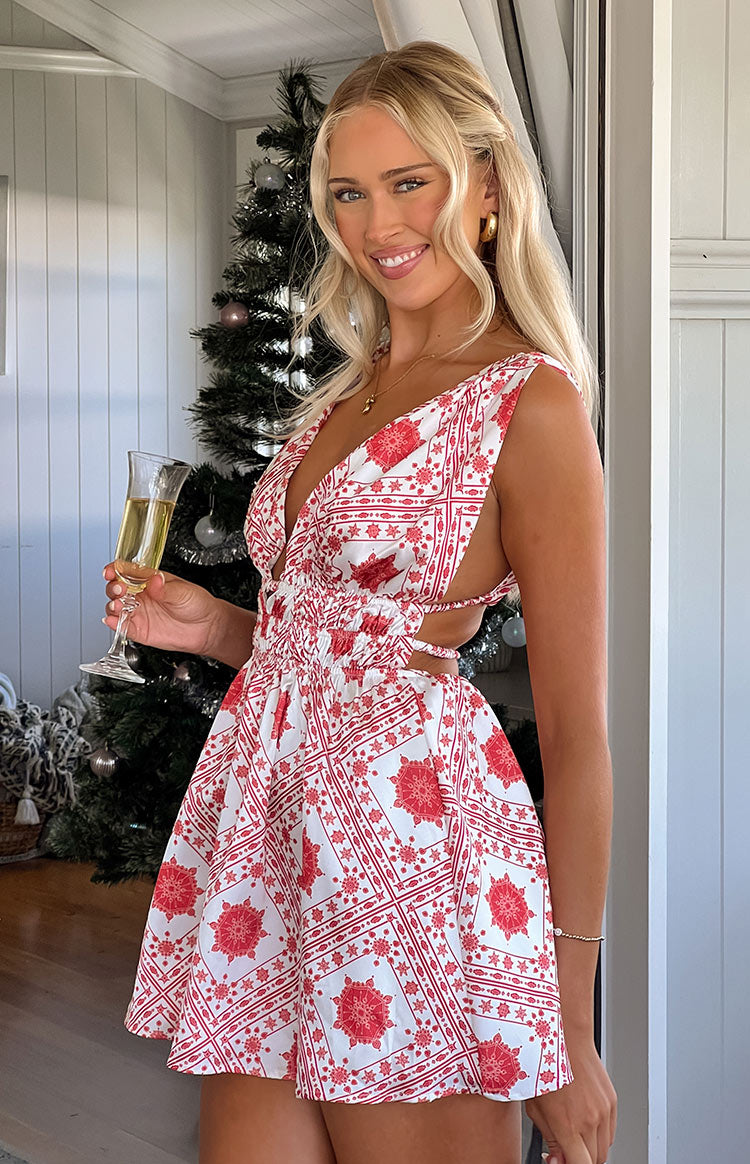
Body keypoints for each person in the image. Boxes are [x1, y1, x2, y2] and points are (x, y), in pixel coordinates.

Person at [105, 40, 616, 1164]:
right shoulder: (344, 387)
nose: (379, 223)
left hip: (409, 865)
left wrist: (566, 1022)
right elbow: (331, 641)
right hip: (267, 853)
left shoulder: (528, 405)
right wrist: (217, 628)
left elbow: (579, 739)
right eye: (349, 191)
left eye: (409, 182)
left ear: (483, 188)